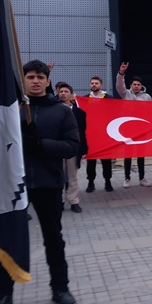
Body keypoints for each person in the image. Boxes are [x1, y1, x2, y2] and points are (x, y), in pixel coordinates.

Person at [0, 60, 80, 304]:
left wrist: (41, 145)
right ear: (24, 80)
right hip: (13, 186)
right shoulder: (11, 110)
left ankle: (60, 289)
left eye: (41, 76)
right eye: (30, 76)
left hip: (48, 183)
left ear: (48, 81)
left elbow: (73, 146)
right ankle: (3, 293)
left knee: (54, 238)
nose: (36, 81)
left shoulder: (61, 111)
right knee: (8, 238)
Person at [116, 62, 152, 188]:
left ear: (141, 86)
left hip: (141, 129)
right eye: (134, 84)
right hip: (128, 129)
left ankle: (142, 178)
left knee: (141, 154)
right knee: (128, 154)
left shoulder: (147, 97)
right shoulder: (125, 94)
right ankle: (127, 178)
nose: (136, 86)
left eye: (138, 85)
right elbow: (120, 85)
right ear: (131, 85)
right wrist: (121, 73)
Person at [57, 82, 87, 214]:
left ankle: (73, 200)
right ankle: (60, 201)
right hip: (58, 147)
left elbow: (82, 132)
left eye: (65, 91)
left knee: (72, 176)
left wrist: (84, 149)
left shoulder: (80, 113)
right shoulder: (54, 110)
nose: (63, 94)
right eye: (61, 91)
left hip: (72, 148)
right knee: (58, 175)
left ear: (71, 95)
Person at [84, 76, 114, 192]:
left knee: (106, 160)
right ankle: (90, 182)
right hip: (91, 135)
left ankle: (108, 181)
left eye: (96, 83)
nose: (94, 85)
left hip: (105, 134)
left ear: (101, 85)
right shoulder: (85, 99)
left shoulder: (109, 98)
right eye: (92, 83)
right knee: (91, 160)